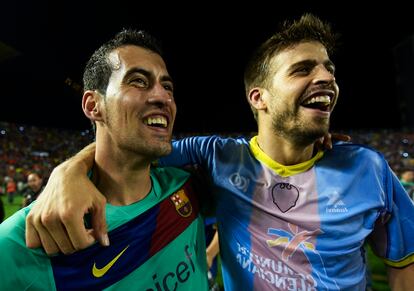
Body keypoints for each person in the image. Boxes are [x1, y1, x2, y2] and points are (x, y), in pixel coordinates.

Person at [25, 14, 414, 290]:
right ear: (258, 97)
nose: (326, 77)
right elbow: (131, 142)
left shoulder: (368, 169)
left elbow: (404, 263)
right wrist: (69, 170)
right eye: (302, 70)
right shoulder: (217, 157)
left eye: (329, 69)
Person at [0, 29, 209, 290]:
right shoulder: (21, 242)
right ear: (92, 106)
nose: (163, 97)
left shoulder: (189, 185)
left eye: (167, 86)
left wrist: (69, 169)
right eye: (138, 81)